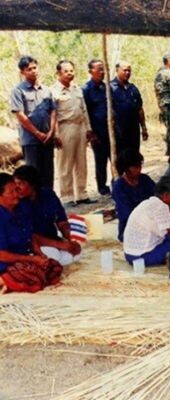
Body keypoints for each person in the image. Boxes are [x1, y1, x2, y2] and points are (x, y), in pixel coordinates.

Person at [0, 174, 65, 294]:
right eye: (11, 192)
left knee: (53, 266)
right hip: (5, 262)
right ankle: (3, 280)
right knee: (32, 276)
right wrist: (31, 259)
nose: (17, 194)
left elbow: (31, 235)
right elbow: (2, 255)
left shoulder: (20, 209)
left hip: (24, 256)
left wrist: (38, 253)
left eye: (17, 190)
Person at [51, 60, 96, 207]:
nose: (70, 73)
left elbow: (84, 110)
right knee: (65, 164)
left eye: (72, 70)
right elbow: (53, 115)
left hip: (80, 127)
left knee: (81, 163)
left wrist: (88, 128)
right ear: (58, 73)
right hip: (65, 128)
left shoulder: (77, 89)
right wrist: (56, 134)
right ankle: (67, 196)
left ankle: (82, 193)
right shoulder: (54, 91)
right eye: (66, 71)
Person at [10, 56, 56, 188]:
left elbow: (53, 111)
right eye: (29, 69)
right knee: (33, 175)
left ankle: (49, 204)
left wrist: (51, 131)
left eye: (35, 68)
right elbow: (20, 115)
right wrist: (37, 133)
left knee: (48, 174)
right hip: (31, 141)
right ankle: (34, 206)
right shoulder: (18, 91)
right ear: (22, 72)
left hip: (47, 139)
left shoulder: (46, 90)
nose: (33, 71)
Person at [123, 176, 170, 266]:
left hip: (129, 255)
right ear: (165, 196)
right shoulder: (161, 207)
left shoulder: (147, 202)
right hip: (143, 257)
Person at [112, 149, 155, 242]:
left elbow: (156, 197)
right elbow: (126, 213)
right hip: (130, 228)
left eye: (139, 165)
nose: (139, 169)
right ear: (126, 168)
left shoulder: (145, 179)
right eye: (135, 167)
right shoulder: (119, 187)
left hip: (151, 223)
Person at [82, 59, 111, 196]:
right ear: (90, 72)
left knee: (115, 158)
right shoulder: (86, 90)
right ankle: (102, 186)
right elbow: (85, 112)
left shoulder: (107, 88)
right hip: (97, 131)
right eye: (98, 69)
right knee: (101, 160)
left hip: (111, 130)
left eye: (103, 69)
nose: (102, 72)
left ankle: (116, 182)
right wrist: (91, 133)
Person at [110, 61, 148, 154]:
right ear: (117, 70)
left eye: (129, 71)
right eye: (125, 70)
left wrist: (143, 128)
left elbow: (139, 109)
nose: (127, 73)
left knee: (134, 157)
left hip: (133, 131)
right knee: (120, 159)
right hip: (119, 132)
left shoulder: (133, 88)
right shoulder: (110, 88)